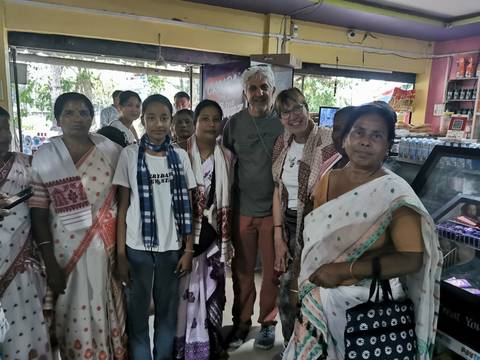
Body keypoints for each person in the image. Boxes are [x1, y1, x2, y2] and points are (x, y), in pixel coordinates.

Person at [284, 103, 442, 360]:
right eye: (359, 132)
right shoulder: (329, 180)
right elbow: (311, 242)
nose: (366, 142)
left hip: (369, 310)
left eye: (376, 135)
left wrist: (344, 270)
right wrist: (295, 285)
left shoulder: (393, 192)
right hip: (319, 298)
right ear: (344, 139)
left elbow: (412, 258)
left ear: (388, 144)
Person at [29, 92, 127, 359]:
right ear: (57, 118)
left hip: (105, 250)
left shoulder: (111, 151)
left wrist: (121, 253)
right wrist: (49, 261)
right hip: (63, 252)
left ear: (92, 117)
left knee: (103, 303)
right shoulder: (45, 156)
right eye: (69, 113)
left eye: (84, 113)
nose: (77, 119)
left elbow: (124, 200)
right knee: (70, 313)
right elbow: (38, 213)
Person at [114, 94, 196, 359]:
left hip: (171, 249)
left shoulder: (181, 157)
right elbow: (123, 207)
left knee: (167, 315)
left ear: (171, 120)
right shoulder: (129, 154)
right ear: (143, 119)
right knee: (137, 316)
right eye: (151, 117)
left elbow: (190, 208)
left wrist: (187, 250)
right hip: (136, 248)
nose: (158, 124)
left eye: (164, 118)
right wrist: (121, 254)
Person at [271, 88, 336, 359]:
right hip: (288, 223)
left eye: (297, 108)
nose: (293, 116)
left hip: (319, 227)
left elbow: (335, 187)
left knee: (313, 294)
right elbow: (278, 190)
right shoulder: (282, 143)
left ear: (307, 107)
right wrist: (278, 237)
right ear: (280, 118)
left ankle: (315, 351)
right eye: (285, 112)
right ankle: (292, 348)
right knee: (286, 295)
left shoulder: (327, 140)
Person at [223, 65, 283, 350]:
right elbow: (224, 160)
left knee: (272, 271)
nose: (258, 93)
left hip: (275, 213)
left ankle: (268, 323)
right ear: (245, 93)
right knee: (243, 271)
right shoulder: (234, 123)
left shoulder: (283, 122)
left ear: (272, 91)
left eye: (264, 88)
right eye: (253, 88)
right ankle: (242, 322)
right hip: (242, 209)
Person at [175, 100, 233, 360]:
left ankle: (210, 344)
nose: (211, 124)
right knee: (182, 297)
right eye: (205, 118)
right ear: (196, 122)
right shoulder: (178, 154)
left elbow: (230, 198)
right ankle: (183, 348)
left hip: (214, 239)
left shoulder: (229, 157)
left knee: (214, 293)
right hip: (183, 238)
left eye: (216, 119)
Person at [0, 107, 52, 359]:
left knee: (26, 334)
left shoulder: (27, 164)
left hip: (22, 263)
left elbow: (45, 205)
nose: (2, 136)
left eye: (4, 128)